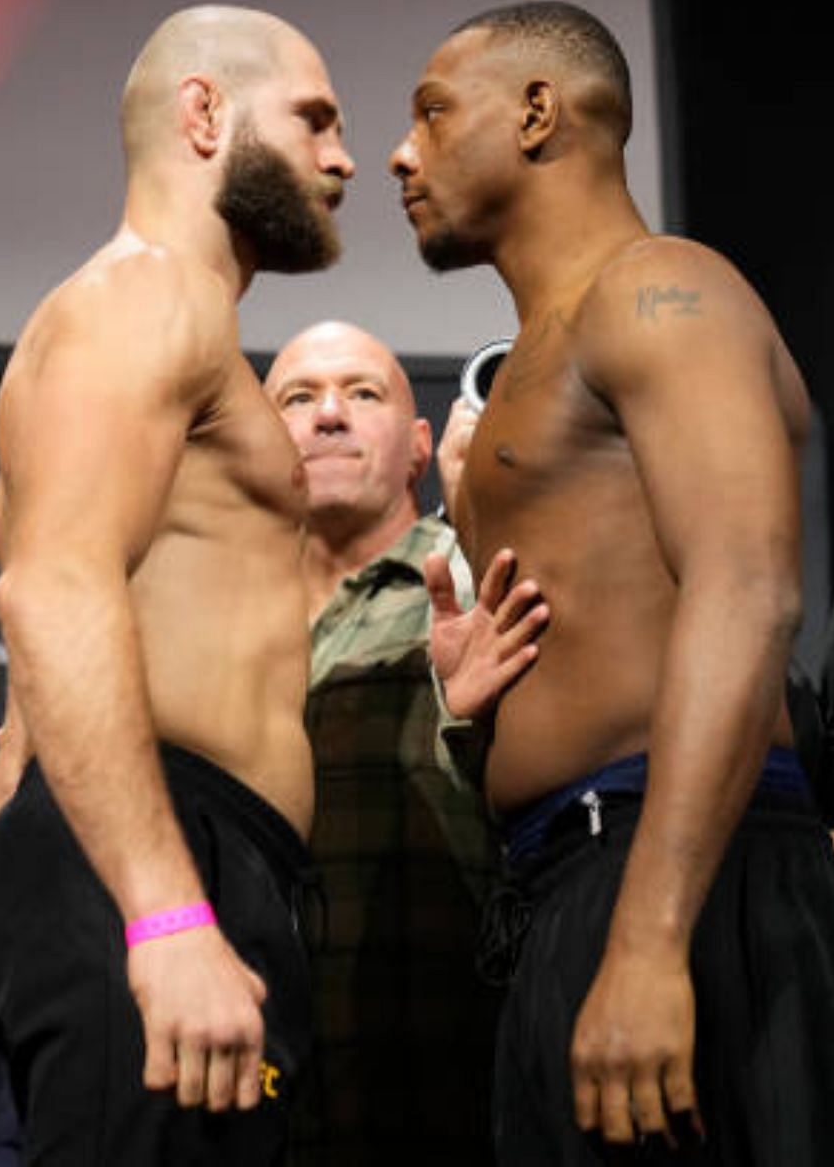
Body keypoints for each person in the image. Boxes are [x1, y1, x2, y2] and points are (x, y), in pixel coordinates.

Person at [392, 2, 834, 1162]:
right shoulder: (536, 362)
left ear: (539, 112)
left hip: (686, 879)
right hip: (568, 883)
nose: (403, 153)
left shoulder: (661, 290)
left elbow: (747, 589)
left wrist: (649, 940)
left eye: (434, 115)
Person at [0, 7, 352, 1163]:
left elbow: (91, 572)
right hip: (156, 865)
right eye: (315, 120)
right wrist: (169, 915)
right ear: (205, 112)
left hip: (174, 853)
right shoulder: (146, 298)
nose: (342, 159)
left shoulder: (168, 321)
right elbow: (51, 589)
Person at [261, 321, 521, 1164]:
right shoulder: (219, 624)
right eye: (298, 398)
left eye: (361, 393)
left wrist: (481, 722)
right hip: (264, 1093)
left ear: (419, 447)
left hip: (452, 1074)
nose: (328, 415)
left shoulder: (480, 578)